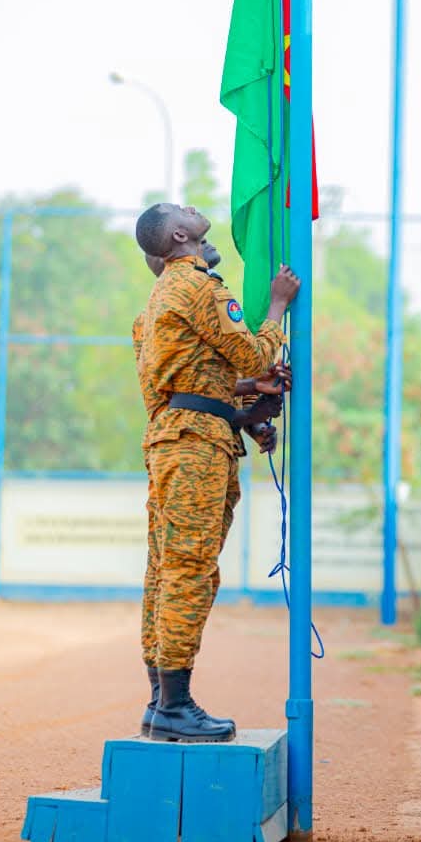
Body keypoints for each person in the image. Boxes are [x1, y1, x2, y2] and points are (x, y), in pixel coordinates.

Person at [135, 202, 300, 742]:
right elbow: (253, 354)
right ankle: (175, 708)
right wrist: (276, 309)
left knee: (167, 568)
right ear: (181, 236)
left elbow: (198, 382)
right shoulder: (199, 288)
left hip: (174, 437)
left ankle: (161, 702)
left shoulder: (156, 302)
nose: (193, 210)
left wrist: (245, 409)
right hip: (196, 447)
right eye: (184, 212)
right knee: (190, 569)